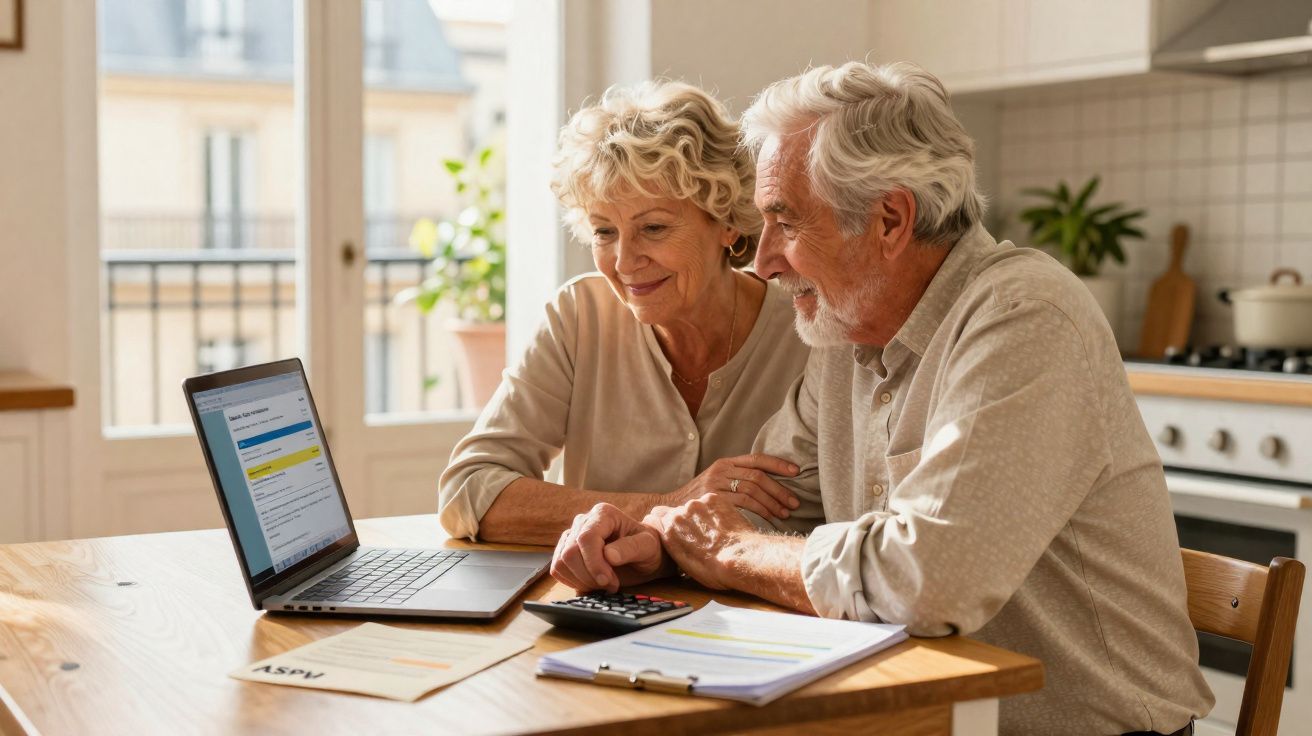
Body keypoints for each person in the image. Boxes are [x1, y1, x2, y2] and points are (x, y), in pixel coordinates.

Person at [549, 62, 1214, 735]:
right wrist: (660, 541)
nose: (763, 260)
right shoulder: (846, 331)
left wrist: (730, 551)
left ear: (890, 220)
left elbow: (929, 580)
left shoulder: (1024, 318)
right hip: (923, 714)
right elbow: (767, 500)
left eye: (784, 222)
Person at [437, 81, 812, 551]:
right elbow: (469, 490)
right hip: (599, 598)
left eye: (653, 228)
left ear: (728, 222)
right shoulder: (579, 317)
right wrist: (667, 505)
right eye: (604, 232)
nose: (624, 261)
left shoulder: (807, 329)